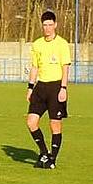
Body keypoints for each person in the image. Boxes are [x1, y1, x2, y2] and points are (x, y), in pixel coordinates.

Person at [27, 11, 71, 169]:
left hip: (56, 86)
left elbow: (65, 67)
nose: (47, 28)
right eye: (45, 25)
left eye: (50, 25)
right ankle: (44, 153)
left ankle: (52, 158)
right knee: (31, 122)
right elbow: (34, 67)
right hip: (41, 86)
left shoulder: (62, 44)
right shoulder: (37, 44)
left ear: (55, 25)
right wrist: (30, 87)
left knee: (55, 125)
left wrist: (63, 88)